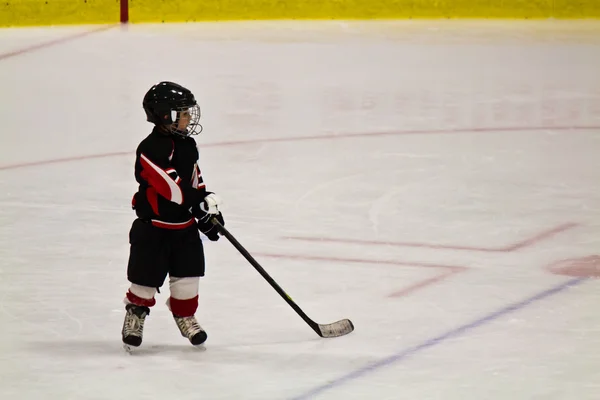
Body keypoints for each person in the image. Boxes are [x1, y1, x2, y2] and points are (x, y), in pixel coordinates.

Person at [121, 81, 224, 349]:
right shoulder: (151, 148)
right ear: (165, 116)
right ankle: (135, 315)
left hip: (184, 229)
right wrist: (197, 200)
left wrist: (206, 215)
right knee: (144, 278)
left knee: (188, 277)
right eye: (183, 112)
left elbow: (193, 180)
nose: (189, 117)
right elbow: (171, 187)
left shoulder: (187, 144)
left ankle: (185, 316)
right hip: (153, 227)